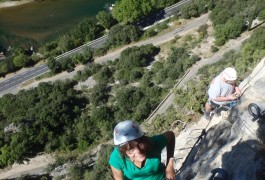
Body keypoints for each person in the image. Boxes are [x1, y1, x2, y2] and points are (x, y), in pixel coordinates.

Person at [109, 120, 176, 180]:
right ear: (123, 151)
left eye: (140, 144)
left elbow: (171, 135)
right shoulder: (117, 158)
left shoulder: (153, 143)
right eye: (131, 149)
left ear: (144, 139)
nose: (138, 151)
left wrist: (169, 165)